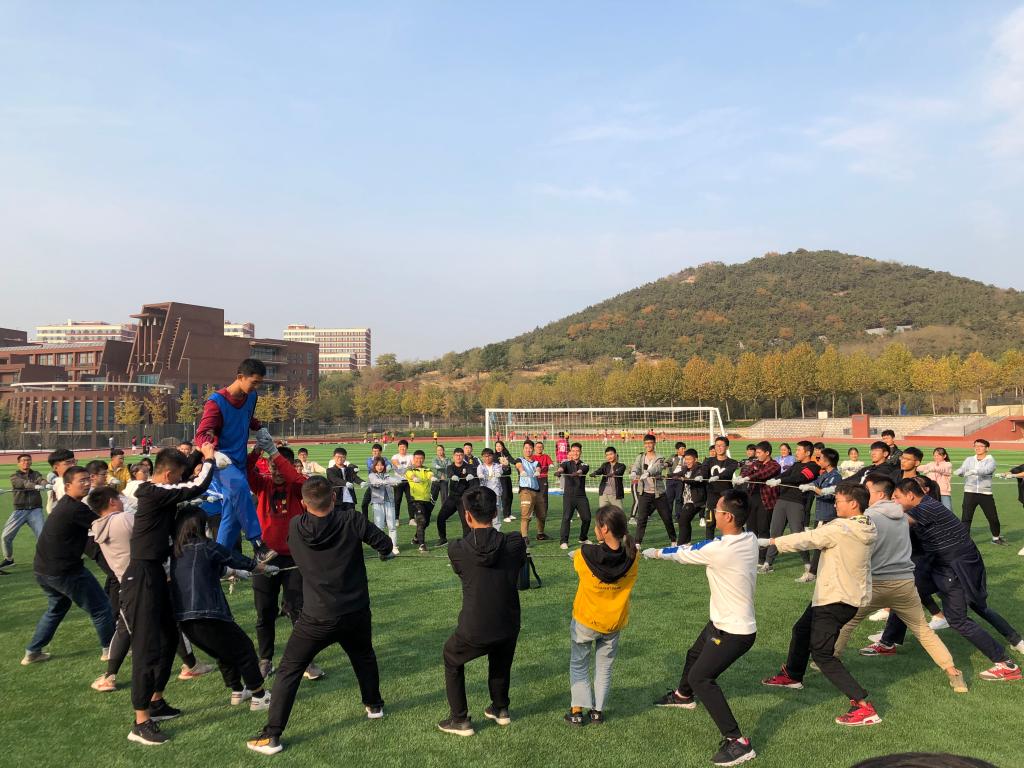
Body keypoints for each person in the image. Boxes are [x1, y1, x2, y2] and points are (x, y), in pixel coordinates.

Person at [247, 476, 394, 755]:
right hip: (348, 612)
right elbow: (384, 544)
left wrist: (383, 549)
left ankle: (273, 735)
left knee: (290, 670)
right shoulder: (347, 520)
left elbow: (383, 544)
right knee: (363, 656)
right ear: (334, 498)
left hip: (322, 615)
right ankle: (374, 705)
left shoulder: (301, 524)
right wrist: (384, 552)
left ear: (303, 504)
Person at [645, 489, 758, 767]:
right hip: (720, 622)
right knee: (694, 654)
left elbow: (685, 552)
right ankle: (683, 696)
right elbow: (706, 545)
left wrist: (654, 552)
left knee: (701, 678)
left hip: (733, 631)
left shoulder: (720, 550)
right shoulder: (749, 538)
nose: (713, 513)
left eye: (717, 510)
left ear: (728, 517)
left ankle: (738, 742)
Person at [761, 482, 882, 728]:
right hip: (836, 595)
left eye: (838, 500)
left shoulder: (841, 528)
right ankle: (793, 675)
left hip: (836, 599)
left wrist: (771, 541)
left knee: (822, 654)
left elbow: (808, 538)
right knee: (801, 630)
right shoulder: (867, 524)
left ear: (853, 504)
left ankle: (863, 706)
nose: (835, 504)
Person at [833, 475, 967, 692]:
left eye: (868, 490)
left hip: (878, 583)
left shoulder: (868, 517)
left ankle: (829, 660)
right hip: (905, 582)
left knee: (847, 622)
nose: (864, 495)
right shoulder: (903, 515)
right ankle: (953, 672)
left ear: (879, 494)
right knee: (923, 631)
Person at [123, 443, 216, 745]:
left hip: (156, 574)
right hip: (142, 576)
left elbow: (185, 477)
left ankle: (156, 701)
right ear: (166, 475)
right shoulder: (154, 493)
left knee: (168, 639)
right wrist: (210, 461)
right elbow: (196, 485)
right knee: (147, 647)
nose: (179, 479)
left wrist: (198, 453)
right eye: (176, 476)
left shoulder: (161, 487)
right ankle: (140, 722)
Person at [888, 480, 1023, 679]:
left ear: (910, 495)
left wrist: (870, 512)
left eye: (897, 498)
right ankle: (887, 642)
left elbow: (896, 521)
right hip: (943, 566)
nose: (894, 502)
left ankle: (1006, 664)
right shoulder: (926, 506)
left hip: (956, 568)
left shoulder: (926, 508)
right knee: (908, 592)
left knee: (960, 618)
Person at [437, 487, 527, 736]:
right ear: (496, 512)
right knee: (501, 658)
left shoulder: (457, 548)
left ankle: (460, 719)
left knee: (451, 656)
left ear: (467, 516)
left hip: (475, 626)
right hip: (507, 622)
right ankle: (500, 708)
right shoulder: (514, 542)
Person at [171, 508, 276, 710]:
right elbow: (233, 557)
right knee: (244, 649)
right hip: (209, 614)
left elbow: (213, 568)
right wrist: (261, 568)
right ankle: (259, 696)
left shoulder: (176, 552)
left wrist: (236, 573)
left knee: (223, 653)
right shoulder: (206, 547)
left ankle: (237, 690)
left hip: (184, 620)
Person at [248, 436, 326, 681]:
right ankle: (265, 659)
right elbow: (246, 470)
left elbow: (300, 480)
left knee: (298, 611)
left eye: (280, 466)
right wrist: (257, 451)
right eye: (272, 466)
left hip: (294, 559)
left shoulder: (297, 487)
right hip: (265, 558)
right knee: (265, 612)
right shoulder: (262, 485)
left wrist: (277, 456)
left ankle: (305, 661)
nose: (276, 471)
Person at [22, 465, 115, 667]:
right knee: (101, 607)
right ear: (67, 486)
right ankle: (111, 650)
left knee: (57, 608)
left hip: (43, 570)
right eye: (81, 481)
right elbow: (107, 526)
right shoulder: (75, 509)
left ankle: (33, 652)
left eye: (88, 479)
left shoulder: (67, 505)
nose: (87, 483)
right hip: (64, 571)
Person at [193, 358, 274, 561]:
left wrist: (260, 428)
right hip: (222, 463)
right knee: (239, 487)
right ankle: (258, 544)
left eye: (259, 383)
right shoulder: (216, 402)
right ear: (240, 377)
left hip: (240, 462)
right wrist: (213, 453)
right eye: (254, 382)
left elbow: (247, 417)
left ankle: (217, 561)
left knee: (233, 517)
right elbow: (200, 435)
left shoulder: (251, 396)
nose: (257, 387)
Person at [565, 505, 638, 726]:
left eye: (597, 525)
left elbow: (579, 560)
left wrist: (576, 554)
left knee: (579, 664)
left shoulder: (584, 554)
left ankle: (577, 711)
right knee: (604, 667)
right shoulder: (633, 555)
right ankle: (597, 712)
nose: (595, 529)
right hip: (613, 623)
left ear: (604, 528)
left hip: (586, 620)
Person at [760, 440, 818, 576]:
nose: (796, 452)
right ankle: (768, 563)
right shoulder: (796, 464)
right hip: (782, 500)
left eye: (799, 450)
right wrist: (775, 479)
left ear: (807, 453)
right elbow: (785, 474)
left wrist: (780, 480)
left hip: (796, 502)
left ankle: (807, 564)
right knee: (775, 532)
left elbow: (799, 477)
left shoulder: (813, 466)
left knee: (797, 534)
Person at [733, 441, 780, 566]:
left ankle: (762, 558)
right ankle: (752, 556)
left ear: (767, 453)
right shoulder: (756, 463)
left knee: (763, 529)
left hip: (766, 501)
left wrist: (748, 478)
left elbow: (763, 474)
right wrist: (742, 476)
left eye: (759, 453)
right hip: (752, 499)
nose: (757, 455)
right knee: (751, 529)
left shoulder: (775, 465)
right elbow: (747, 470)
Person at [629, 435, 677, 549]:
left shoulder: (659, 457)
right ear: (644, 444)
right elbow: (636, 466)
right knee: (641, 519)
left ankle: (673, 540)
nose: (648, 445)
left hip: (658, 493)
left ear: (654, 443)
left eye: (650, 443)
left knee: (667, 518)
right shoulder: (641, 456)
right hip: (644, 492)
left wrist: (648, 473)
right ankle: (637, 543)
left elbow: (657, 468)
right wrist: (634, 472)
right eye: (646, 443)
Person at [2, 453, 48, 571]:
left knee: (42, 536)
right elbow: (22, 483)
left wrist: (45, 484)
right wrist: (35, 486)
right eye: (23, 460)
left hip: (35, 510)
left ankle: (44, 560)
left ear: (31, 462)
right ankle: (9, 559)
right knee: (6, 536)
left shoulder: (36, 474)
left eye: (28, 460)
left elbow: (41, 480)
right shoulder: (14, 476)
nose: (26, 462)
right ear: (19, 463)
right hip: (20, 510)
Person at [955, 439, 1004, 545]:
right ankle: (965, 541)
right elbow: (963, 469)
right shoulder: (969, 459)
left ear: (987, 448)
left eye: (980, 446)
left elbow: (987, 470)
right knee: (966, 518)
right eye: (975, 446)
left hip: (985, 493)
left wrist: (974, 471)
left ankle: (996, 538)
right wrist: (960, 472)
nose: (977, 448)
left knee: (992, 517)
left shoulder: (990, 460)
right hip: (969, 492)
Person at [803, 447, 841, 580]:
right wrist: (808, 485)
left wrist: (813, 488)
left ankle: (812, 573)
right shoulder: (825, 474)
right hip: (820, 514)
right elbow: (816, 482)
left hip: (826, 515)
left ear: (828, 461)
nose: (818, 460)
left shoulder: (835, 476)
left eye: (820, 458)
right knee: (819, 544)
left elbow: (828, 494)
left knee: (819, 545)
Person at [437, 449, 479, 544]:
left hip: (463, 498)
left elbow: (471, 471)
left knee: (465, 521)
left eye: (460, 455)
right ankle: (443, 538)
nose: (458, 457)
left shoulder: (468, 466)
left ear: (463, 456)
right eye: (456, 455)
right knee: (441, 517)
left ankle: (467, 541)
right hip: (452, 497)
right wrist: (452, 476)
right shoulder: (450, 467)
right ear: (453, 456)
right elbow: (450, 473)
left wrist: (470, 475)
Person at [555, 442, 592, 550]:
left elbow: (582, 470)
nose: (575, 453)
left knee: (587, 518)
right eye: (573, 451)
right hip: (569, 496)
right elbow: (561, 468)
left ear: (580, 452)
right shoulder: (566, 463)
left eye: (577, 451)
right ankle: (564, 541)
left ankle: (583, 538)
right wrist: (559, 472)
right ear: (570, 452)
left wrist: (578, 473)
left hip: (581, 496)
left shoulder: (585, 464)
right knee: (566, 518)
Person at [702, 437, 738, 539]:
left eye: (721, 445)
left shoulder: (732, 462)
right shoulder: (708, 461)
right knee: (710, 523)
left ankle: (734, 543)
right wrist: (700, 475)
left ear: (727, 447)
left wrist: (718, 476)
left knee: (731, 522)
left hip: (726, 497)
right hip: (711, 496)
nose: (719, 448)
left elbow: (728, 472)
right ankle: (709, 544)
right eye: (717, 445)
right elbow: (703, 472)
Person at [367, 457, 402, 549]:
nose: (380, 467)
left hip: (389, 502)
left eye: (382, 465)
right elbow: (376, 482)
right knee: (380, 527)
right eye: (377, 465)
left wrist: (398, 481)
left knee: (392, 526)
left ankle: (394, 546)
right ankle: (382, 547)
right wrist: (386, 482)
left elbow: (395, 480)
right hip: (377, 503)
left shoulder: (387, 475)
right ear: (374, 466)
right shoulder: (371, 475)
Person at [676, 449, 708, 545]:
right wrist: (665, 476)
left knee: (683, 520)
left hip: (695, 500)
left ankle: (681, 544)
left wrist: (684, 479)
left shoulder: (700, 469)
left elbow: (694, 481)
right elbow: (677, 474)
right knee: (685, 521)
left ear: (696, 459)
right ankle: (687, 543)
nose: (687, 461)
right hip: (686, 500)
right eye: (686, 459)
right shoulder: (685, 469)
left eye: (689, 459)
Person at [406, 450, 435, 552]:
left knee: (425, 523)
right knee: (421, 520)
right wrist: (414, 478)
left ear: (424, 459)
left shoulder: (427, 469)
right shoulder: (410, 469)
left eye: (421, 458)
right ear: (413, 459)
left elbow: (430, 474)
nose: (419, 460)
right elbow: (410, 475)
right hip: (416, 500)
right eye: (417, 458)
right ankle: (422, 545)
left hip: (426, 500)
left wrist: (432, 477)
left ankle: (416, 538)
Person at [514, 441, 543, 540]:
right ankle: (524, 537)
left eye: (530, 448)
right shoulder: (520, 459)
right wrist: (522, 471)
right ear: (523, 449)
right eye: (526, 448)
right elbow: (518, 465)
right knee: (525, 515)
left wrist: (538, 471)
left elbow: (538, 468)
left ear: (533, 450)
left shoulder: (536, 462)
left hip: (537, 491)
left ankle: (540, 534)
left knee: (541, 515)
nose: (528, 450)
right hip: (525, 491)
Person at [326, 447, 361, 512]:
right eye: (338, 457)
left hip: (350, 499)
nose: (340, 459)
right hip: (337, 500)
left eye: (342, 457)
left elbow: (355, 477)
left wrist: (361, 482)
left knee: (351, 517)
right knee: (338, 517)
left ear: (345, 458)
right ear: (334, 457)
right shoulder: (330, 470)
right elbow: (335, 479)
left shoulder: (349, 469)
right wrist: (346, 483)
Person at [591, 446, 626, 511]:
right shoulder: (605, 465)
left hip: (615, 495)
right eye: (607, 455)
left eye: (611, 454)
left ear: (615, 454)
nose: (609, 456)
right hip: (604, 494)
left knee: (619, 513)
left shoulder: (621, 465)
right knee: (602, 514)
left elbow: (619, 472)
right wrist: (595, 473)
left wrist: (612, 474)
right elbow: (600, 470)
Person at [477, 448, 505, 530]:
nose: (487, 458)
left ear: (492, 456)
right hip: (484, 493)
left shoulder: (497, 465)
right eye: (485, 456)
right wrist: (480, 475)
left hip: (496, 493)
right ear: (482, 457)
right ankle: (486, 532)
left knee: (496, 513)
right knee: (485, 513)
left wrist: (498, 473)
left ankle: (496, 532)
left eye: (489, 456)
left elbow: (500, 471)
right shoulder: (480, 466)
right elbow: (479, 473)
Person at [390, 440, 415, 526]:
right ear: (398, 448)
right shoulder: (395, 456)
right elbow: (395, 462)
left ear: (407, 448)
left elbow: (414, 465)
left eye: (404, 447)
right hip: (398, 481)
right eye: (400, 447)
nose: (402, 448)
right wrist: (405, 467)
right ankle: (396, 519)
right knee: (397, 500)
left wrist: (405, 469)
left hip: (409, 481)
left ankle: (412, 519)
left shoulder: (410, 456)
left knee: (410, 500)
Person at [362, 444, 391, 516]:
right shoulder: (370, 460)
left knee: (383, 504)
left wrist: (389, 466)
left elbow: (389, 464)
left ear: (380, 452)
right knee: (364, 503)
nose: (375, 453)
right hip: (372, 485)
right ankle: (365, 520)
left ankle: (384, 519)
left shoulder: (384, 459)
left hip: (382, 486)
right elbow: (372, 467)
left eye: (377, 451)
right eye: (373, 451)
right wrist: (384, 467)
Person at [45, 447, 76, 514]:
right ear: (55, 467)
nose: (73, 465)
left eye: (74, 461)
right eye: (68, 463)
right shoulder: (61, 484)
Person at [532, 441, 554, 534]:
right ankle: (533, 511)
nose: (539, 448)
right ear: (534, 448)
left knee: (543, 497)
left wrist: (551, 465)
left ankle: (543, 513)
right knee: (533, 496)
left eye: (541, 447)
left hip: (543, 479)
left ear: (543, 448)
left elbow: (550, 463)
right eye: (537, 447)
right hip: (533, 479)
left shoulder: (546, 456)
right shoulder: (532, 457)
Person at [665, 442, 689, 522]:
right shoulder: (673, 457)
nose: (684, 450)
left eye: (684, 448)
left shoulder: (686, 458)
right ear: (677, 450)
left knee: (679, 499)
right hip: (670, 480)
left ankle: (678, 516)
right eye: (682, 448)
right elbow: (667, 463)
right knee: (669, 499)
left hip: (680, 480)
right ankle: (668, 516)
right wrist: (665, 465)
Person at [493, 440, 515, 523]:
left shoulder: (506, 454)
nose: (498, 447)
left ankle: (509, 514)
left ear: (503, 446)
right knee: (505, 496)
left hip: (507, 477)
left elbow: (512, 460)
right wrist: (502, 463)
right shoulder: (495, 456)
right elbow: (495, 465)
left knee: (510, 495)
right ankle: (505, 516)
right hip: (501, 478)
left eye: (500, 446)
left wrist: (518, 462)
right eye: (497, 446)